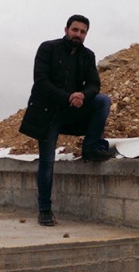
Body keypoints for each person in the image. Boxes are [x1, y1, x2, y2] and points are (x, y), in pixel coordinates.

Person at [19, 14, 114, 226]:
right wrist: (68, 96)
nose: (78, 35)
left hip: (71, 112)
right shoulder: (48, 49)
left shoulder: (87, 55)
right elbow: (41, 81)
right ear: (66, 29)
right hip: (47, 114)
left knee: (102, 101)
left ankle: (90, 148)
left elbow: (93, 84)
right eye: (75, 30)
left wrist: (82, 95)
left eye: (82, 32)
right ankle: (45, 210)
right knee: (47, 163)